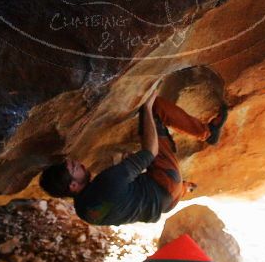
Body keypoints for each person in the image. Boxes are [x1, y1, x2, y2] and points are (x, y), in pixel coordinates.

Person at [38, 88, 227, 226]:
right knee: (156, 109)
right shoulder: (108, 181)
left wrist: (122, 168)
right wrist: (146, 108)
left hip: (167, 204)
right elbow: (149, 152)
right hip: (166, 182)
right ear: (73, 185)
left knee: (161, 186)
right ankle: (208, 133)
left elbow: (121, 201)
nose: (80, 164)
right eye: (75, 168)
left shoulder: (85, 212)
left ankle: (185, 187)